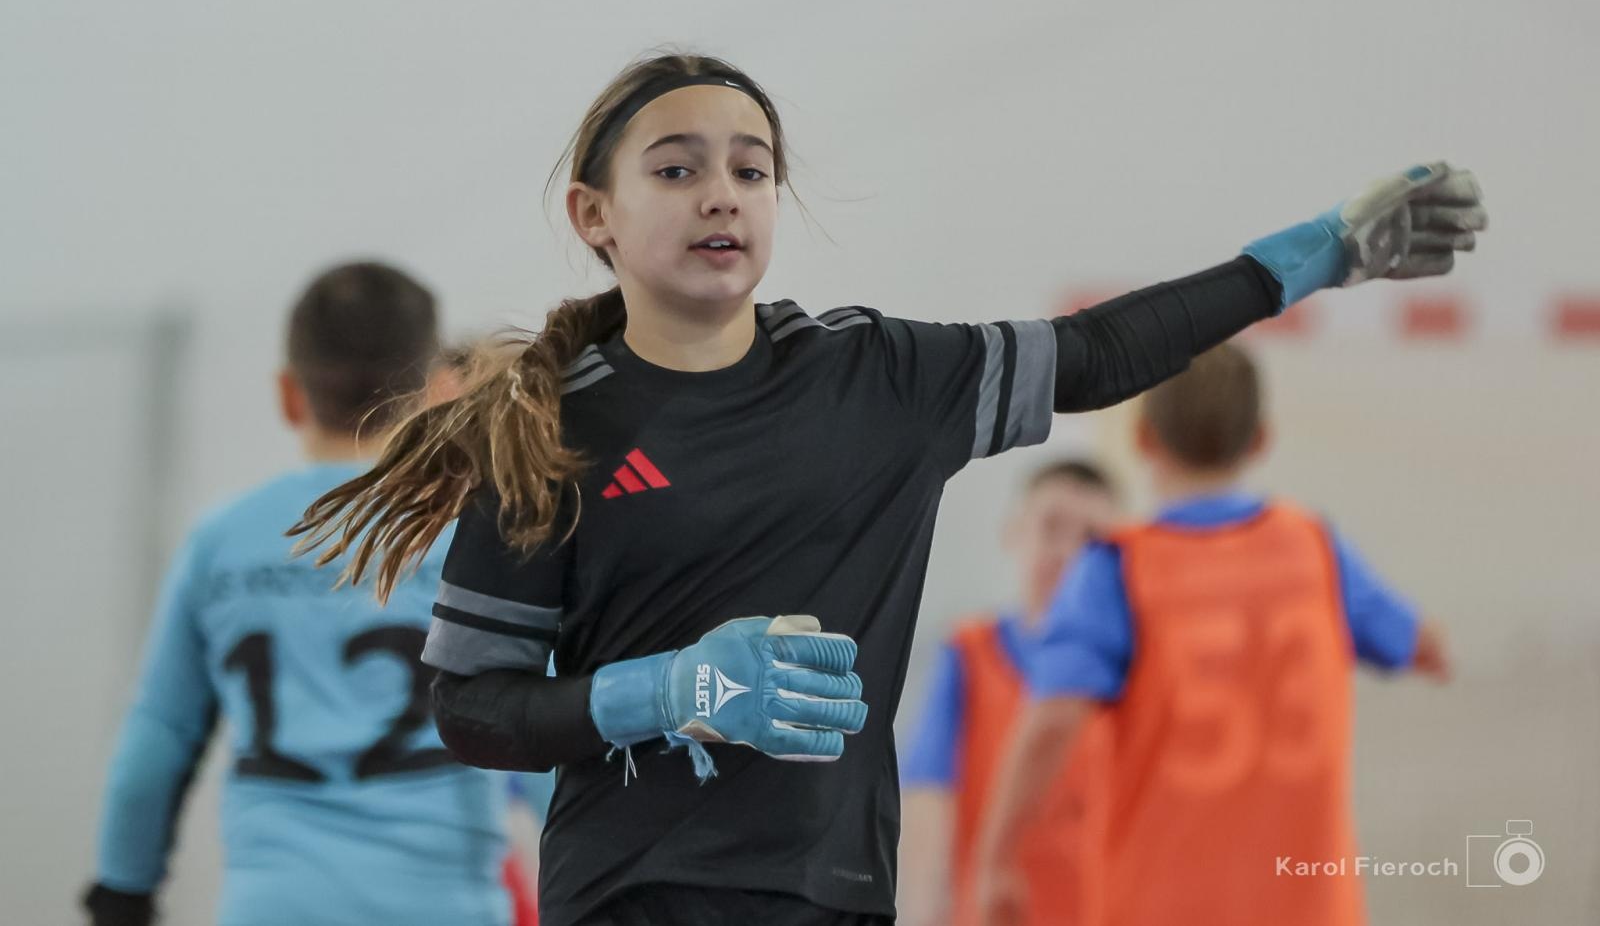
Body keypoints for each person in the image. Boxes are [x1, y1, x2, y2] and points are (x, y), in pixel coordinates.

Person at [291, 52, 1486, 926]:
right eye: (677, 167)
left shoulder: (879, 378)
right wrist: (670, 688)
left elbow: (1096, 352)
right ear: (592, 214)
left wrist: (1315, 256)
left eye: (751, 168)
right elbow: (471, 707)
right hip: (632, 894)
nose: (721, 192)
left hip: (836, 889)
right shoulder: (549, 426)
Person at [85, 262, 514, 926]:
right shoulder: (479, 537)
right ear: (439, 393)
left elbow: (159, 736)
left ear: (289, 394)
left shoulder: (223, 541)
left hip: (274, 905)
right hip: (446, 905)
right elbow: (544, 738)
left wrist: (123, 890)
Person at [972, 342, 1452, 926]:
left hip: (1162, 903)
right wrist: (1430, 645)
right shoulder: (1314, 549)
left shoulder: (1117, 568)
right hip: (1308, 907)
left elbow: (1050, 722)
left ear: (1143, 439)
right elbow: (1420, 645)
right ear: (1261, 440)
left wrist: (996, 858)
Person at [899, 460, 1119, 926]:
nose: (1067, 552)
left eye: (1090, 538)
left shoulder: (1128, 671)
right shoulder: (969, 655)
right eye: (1051, 527)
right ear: (1015, 532)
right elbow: (929, 800)